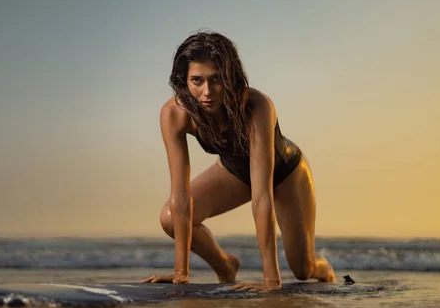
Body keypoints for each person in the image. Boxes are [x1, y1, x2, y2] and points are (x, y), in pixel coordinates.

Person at [140, 31, 336, 292]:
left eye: (216, 79)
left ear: (230, 77)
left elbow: (262, 196)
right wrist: (180, 272)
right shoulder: (174, 113)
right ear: (183, 80)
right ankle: (225, 265)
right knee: (169, 218)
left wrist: (270, 280)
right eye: (197, 81)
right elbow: (181, 195)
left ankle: (324, 269)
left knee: (302, 269)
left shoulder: (257, 106)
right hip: (234, 170)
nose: (207, 92)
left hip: (287, 174)